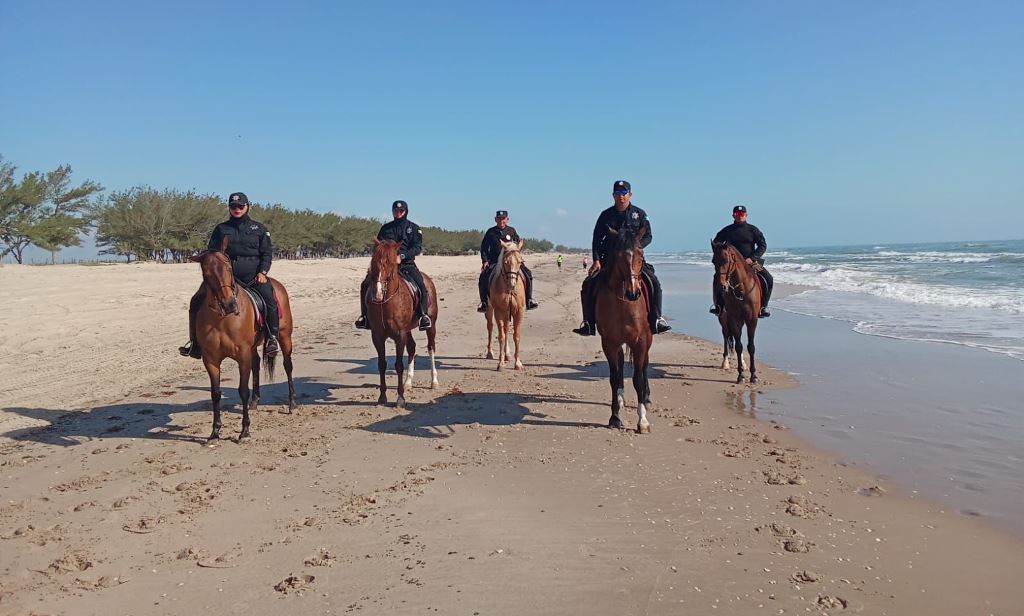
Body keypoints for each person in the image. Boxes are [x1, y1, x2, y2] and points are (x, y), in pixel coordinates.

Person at [179, 192, 279, 358]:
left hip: (253, 275)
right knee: (196, 300)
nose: (237, 209)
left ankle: (272, 338)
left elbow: (267, 253)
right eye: (233, 206)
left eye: (240, 206)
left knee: (270, 299)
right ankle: (195, 344)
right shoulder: (221, 229)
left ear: (247, 206)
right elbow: (212, 253)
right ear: (229, 208)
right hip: (225, 277)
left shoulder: (259, 229)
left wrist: (263, 272)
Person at [572, 180, 671, 336]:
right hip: (609, 260)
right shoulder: (605, 216)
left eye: (624, 193)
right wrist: (596, 260)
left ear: (630, 194)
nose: (621, 196)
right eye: (617, 193)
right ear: (613, 196)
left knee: (654, 283)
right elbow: (596, 239)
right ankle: (588, 323)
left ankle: (656, 319)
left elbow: (649, 236)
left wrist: (635, 247)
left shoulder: (640, 214)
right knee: (588, 284)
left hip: (633, 260)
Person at [354, 200, 433, 331]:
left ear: (405, 211)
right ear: (392, 212)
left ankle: (423, 315)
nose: (398, 213)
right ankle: (365, 317)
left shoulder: (414, 228)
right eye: (396, 211)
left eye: (401, 211)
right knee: (365, 285)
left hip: (406, 265)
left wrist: (401, 257)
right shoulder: (385, 228)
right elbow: (378, 248)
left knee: (421, 285)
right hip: (386, 266)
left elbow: (417, 248)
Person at [710, 204, 773, 318]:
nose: (739, 216)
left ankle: (763, 307)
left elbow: (762, 245)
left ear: (746, 215)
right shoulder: (727, 230)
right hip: (731, 265)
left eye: (742, 214)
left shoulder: (753, 230)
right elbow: (716, 244)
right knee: (717, 279)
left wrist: (752, 258)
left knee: (769, 279)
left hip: (751, 262)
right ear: (733, 216)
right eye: (737, 214)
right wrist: (723, 256)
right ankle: (718, 306)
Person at [477, 210, 539, 313]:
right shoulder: (490, 232)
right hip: (495, 261)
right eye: (499, 219)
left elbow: (518, 245)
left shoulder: (511, 231)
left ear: (507, 219)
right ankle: (484, 303)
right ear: (495, 219)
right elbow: (484, 247)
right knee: (483, 276)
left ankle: (529, 299)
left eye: (503, 219)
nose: (501, 221)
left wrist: (517, 257)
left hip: (511, 262)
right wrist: (485, 261)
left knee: (528, 273)